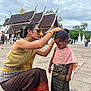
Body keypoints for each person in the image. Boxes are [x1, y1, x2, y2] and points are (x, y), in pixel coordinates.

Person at [0, 23, 63, 91]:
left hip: (18, 78)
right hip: (8, 81)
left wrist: (52, 43)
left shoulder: (32, 48)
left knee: (41, 72)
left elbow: (45, 54)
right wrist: (52, 31)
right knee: (36, 72)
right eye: (37, 31)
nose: (39, 33)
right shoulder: (19, 43)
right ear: (29, 31)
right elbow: (40, 44)